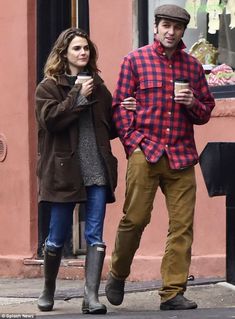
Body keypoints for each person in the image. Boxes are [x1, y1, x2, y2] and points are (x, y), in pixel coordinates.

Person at [105, 4, 215, 311]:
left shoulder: (192, 67)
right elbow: (118, 109)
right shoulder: (134, 61)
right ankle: (118, 273)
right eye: (166, 25)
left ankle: (172, 292)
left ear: (182, 32)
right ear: (156, 27)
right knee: (135, 218)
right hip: (146, 150)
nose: (170, 31)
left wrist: (193, 101)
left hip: (181, 155)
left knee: (182, 225)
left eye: (177, 27)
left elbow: (205, 111)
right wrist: (133, 144)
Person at [35, 27, 134, 314]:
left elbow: (110, 129)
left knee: (95, 234)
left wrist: (125, 110)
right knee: (57, 235)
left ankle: (90, 297)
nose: (83, 53)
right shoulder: (48, 87)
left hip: (97, 169)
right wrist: (77, 93)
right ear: (63, 53)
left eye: (86, 48)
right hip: (65, 170)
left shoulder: (99, 87)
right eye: (77, 48)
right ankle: (48, 288)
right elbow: (50, 121)